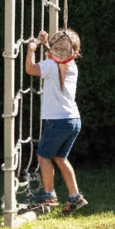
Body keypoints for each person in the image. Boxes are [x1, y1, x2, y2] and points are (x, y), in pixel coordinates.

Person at [24, 28, 87, 214]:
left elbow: (30, 69)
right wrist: (46, 45)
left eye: (60, 47)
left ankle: (49, 195)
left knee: (43, 156)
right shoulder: (72, 65)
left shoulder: (51, 65)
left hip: (57, 120)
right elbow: (58, 59)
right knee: (60, 157)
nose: (58, 50)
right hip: (73, 120)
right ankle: (75, 196)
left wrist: (31, 50)